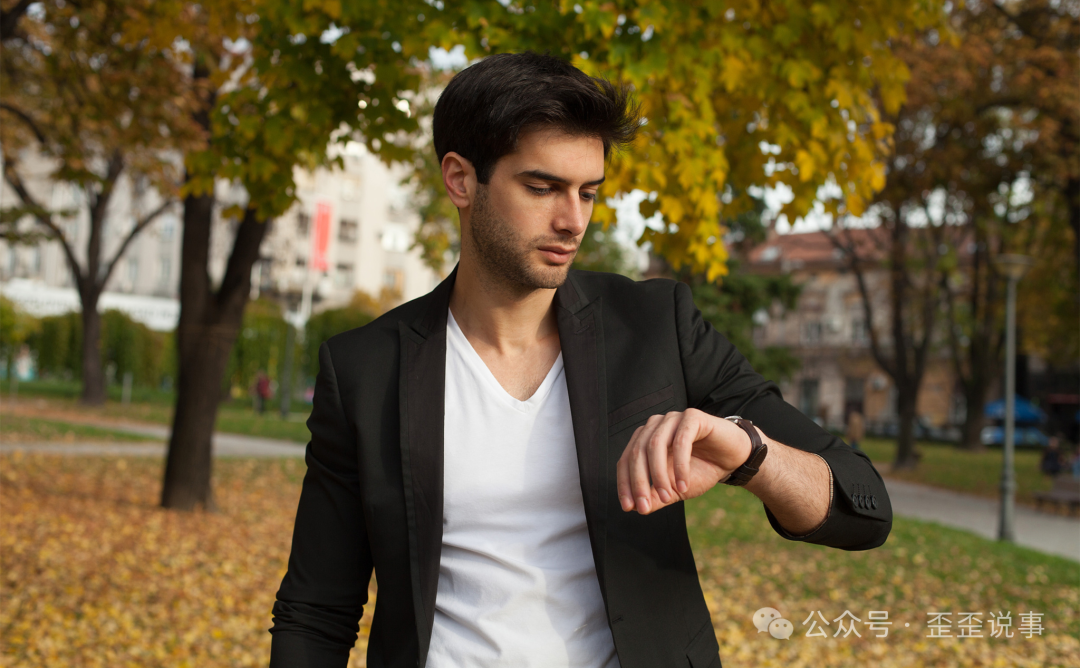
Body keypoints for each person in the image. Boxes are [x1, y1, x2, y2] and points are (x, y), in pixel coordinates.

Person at [268, 52, 893, 668]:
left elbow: (863, 509)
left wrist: (749, 453)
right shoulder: (365, 370)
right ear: (460, 179)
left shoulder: (656, 326)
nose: (573, 221)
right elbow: (315, 611)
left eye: (588, 193)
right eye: (541, 188)